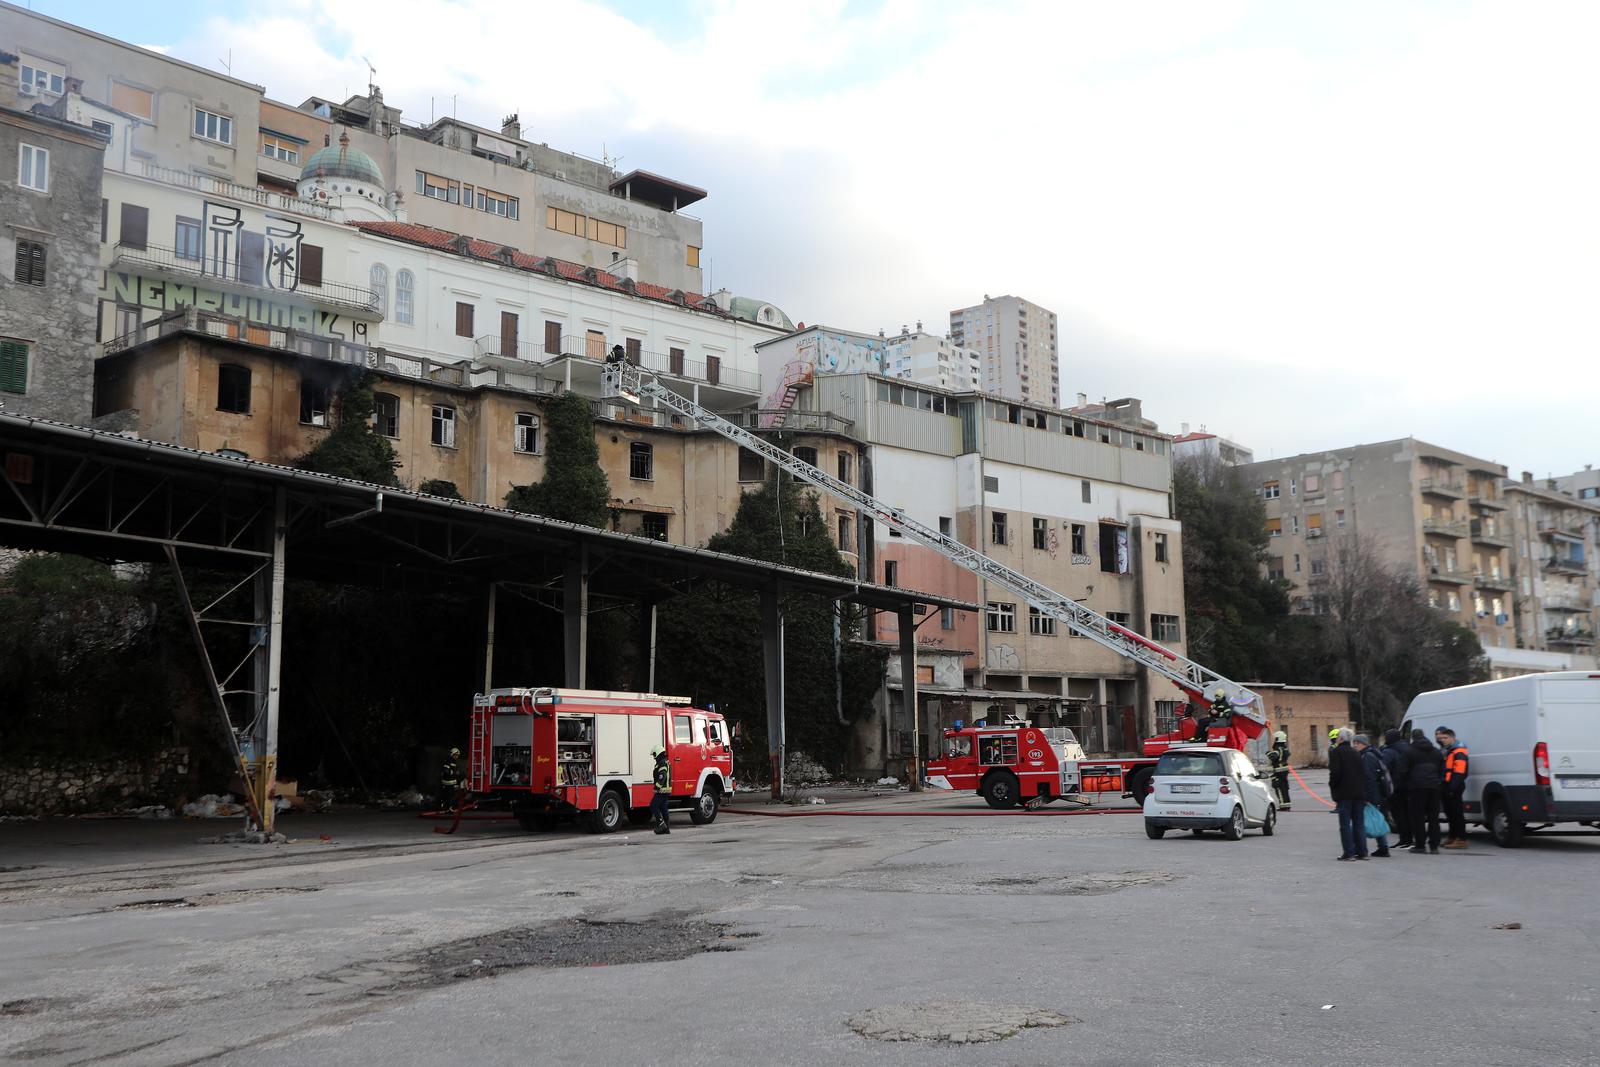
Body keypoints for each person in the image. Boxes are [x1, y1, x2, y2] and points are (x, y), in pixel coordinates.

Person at [1327, 728, 1369, 860]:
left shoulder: (1336, 752)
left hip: (1344, 794)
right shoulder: (1356, 752)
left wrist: (1333, 786)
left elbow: (1335, 773)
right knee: (1359, 824)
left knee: (1345, 824)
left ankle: (1349, 852)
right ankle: (1362, 852)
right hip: (1358, 793)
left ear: (1340, 739)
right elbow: (1363, 773)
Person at [1405, 730, 1444, 854]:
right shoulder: (1436, 752)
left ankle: (1420, 845)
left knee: (1418, 817)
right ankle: (1434, 846)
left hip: (1417, 788)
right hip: (1433, 787)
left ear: (1412, 738)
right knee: (1434, 818)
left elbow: (1402, 770)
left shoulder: (1409, 752)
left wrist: (1408, 784)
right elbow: (1442, 770)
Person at [1354, 734, 1392, 857]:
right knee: (1376, 820)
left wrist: (1366, 797)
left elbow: (1368, 778)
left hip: (1371, 794)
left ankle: (1361, 848)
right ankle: (1383, 847)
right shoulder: (1370, 754)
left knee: (1366, 821)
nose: (1355, 745)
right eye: (1354, 742)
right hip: (1375, 793)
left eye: (1357, 743)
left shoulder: (1367, 756)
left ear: (1364, 744)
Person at [1436, 726, 1470, 850]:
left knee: (1457, 814)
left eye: (1445, 738)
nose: (1442, 740)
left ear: (1452, 738)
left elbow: (1459, 772)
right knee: (1450, 814)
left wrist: (1451, 788)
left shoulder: (1458, 751)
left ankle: (1461, 839)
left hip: (1454, 786)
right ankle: (1453, 836)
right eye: (1441, 738)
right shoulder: (1449, 750)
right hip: (1448, 785)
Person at [1380, 728, 1414, 848]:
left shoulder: (1389, 751)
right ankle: (1408, 839)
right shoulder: (1409, 747)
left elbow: (1383, 766)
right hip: (1410, 785)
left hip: (1395, 786)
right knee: (1408, 813)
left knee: (1398, 814)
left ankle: (1405, 839)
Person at [1267, 730, 1292, 810]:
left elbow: (1273, 757)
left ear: (1278, 739)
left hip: (1279, 771)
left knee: (1279, 788)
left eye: (1275, 738)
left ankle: (1283, 806)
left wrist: (1268, 753)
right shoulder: (1285, 748)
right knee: (1285, 788)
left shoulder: (1278, 748)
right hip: (1284, 771)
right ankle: (1287, 804)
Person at [650, 745, 672, 835]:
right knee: (663, 808)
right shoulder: (665, 762)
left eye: (654, 755)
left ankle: (661, 824)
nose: (654, 758)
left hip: (661, 790)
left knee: (653, 806)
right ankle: (666, 828)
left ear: (658, 753)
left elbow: (662, 776)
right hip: (666, 790)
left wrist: (657, 786)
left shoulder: (662, 763)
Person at [438, 747, 462, 813]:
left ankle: (450, 808)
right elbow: (445, 771)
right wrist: (454, 772)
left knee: (452, 796)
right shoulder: (448, 761)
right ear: (452, 754)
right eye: (455, 755)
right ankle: (448, 808)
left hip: (452, 783)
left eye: (457, 755)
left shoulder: (454, 761)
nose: (457, 756)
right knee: (448, 796)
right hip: (447, 783)